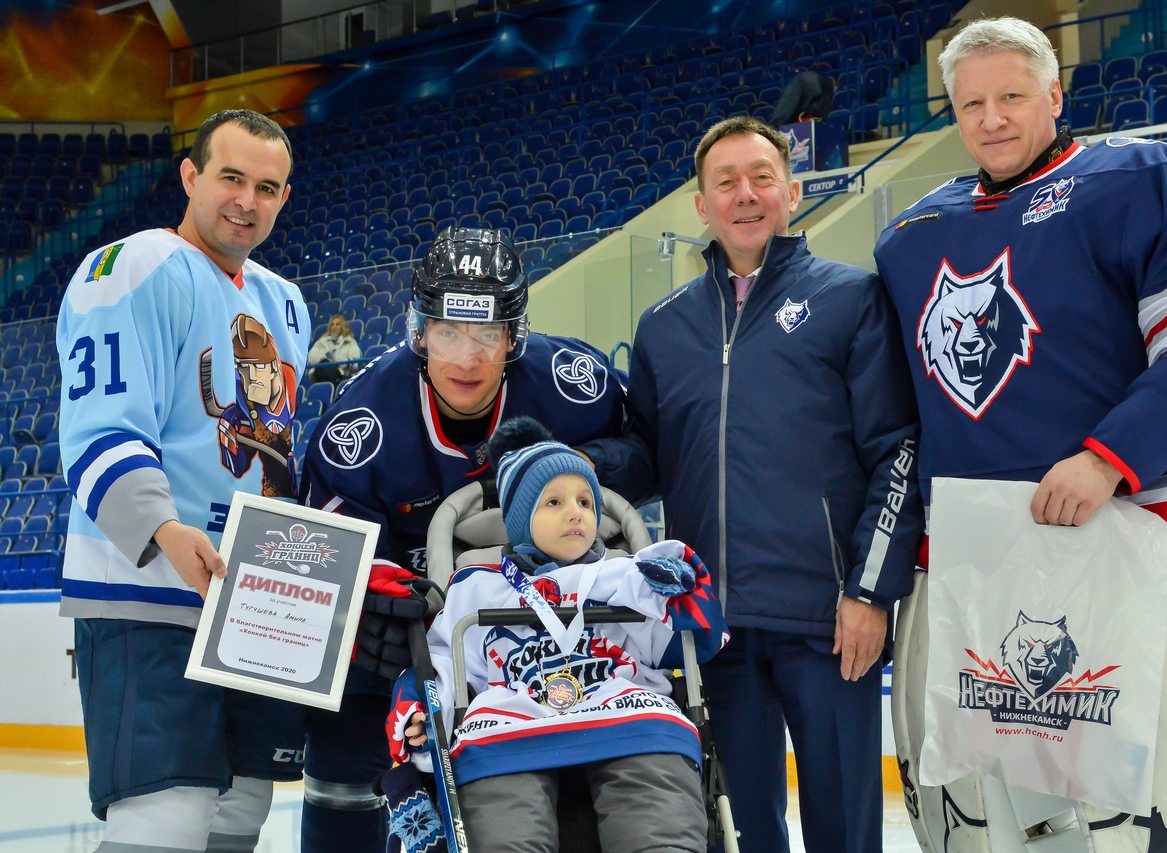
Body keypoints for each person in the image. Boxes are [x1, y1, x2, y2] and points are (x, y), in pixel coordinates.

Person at [873, 16, 1167, 849]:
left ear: (1056, 95)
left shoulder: (1142, 177)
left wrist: (1108, 458)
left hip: (1149, 542)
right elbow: (897, 420)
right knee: (1013, 824)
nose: (992, 118)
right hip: (983, 576)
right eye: (971, 104)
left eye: (1013, 96)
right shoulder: (909, 239)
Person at [578, 115, 925, 853]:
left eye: (762, 177)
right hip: (712, 628)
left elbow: (896, 454)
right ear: (700, 205)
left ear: (791, 193)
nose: (745, 195)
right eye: (726, 182)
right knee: (742, 832)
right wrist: (577, 464)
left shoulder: (852, 299)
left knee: (845, 831)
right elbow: (650, 459)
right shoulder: (664, 326)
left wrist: (870, 592)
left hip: (828, 621)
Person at [297, 226, 643, 852]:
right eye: (449, 332)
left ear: (514, 336)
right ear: (419, 331)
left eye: (488, 334)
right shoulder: (362, 419)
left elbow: (652, 451)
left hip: (545, 638)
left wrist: (579, 466)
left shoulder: (572, 381)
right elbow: (324, 552)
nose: (467, 358)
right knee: (344, 774)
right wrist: (367, 597)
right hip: (404, 638)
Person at [57, 109, 309, 853]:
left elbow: (279, 457)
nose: (246, 201)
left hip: (251, 601)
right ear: (191, 176)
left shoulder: (285, 301)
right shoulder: (133, 266)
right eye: (231, 178)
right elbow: (99, 426)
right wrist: (163, 528)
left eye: (267, 187)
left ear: (285, 197)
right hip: (147, 589)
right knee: (165, 815)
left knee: (241, 809)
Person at [381, 416, 728, 853]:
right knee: (504, 824)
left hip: (626, 717)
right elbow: (441, 663)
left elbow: (694, 644)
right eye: (554, 502)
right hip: (510, 725)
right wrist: (419, 710)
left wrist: (683, 590)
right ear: (519, 519)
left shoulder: (626, 575)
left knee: (655, 813)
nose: (575, 512)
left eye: (585, 501)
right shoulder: (476, 586)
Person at [308, 313, 362, 384]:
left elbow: (354, 361)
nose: (334, 327)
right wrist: (325, 359)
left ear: (343, 326)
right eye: (332, 325)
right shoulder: (321, 342)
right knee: (324, 363)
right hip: (321, 374)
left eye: (337, 324)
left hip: (341, 374)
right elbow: (311, 357)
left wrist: (337, 362)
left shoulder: (350, 342)